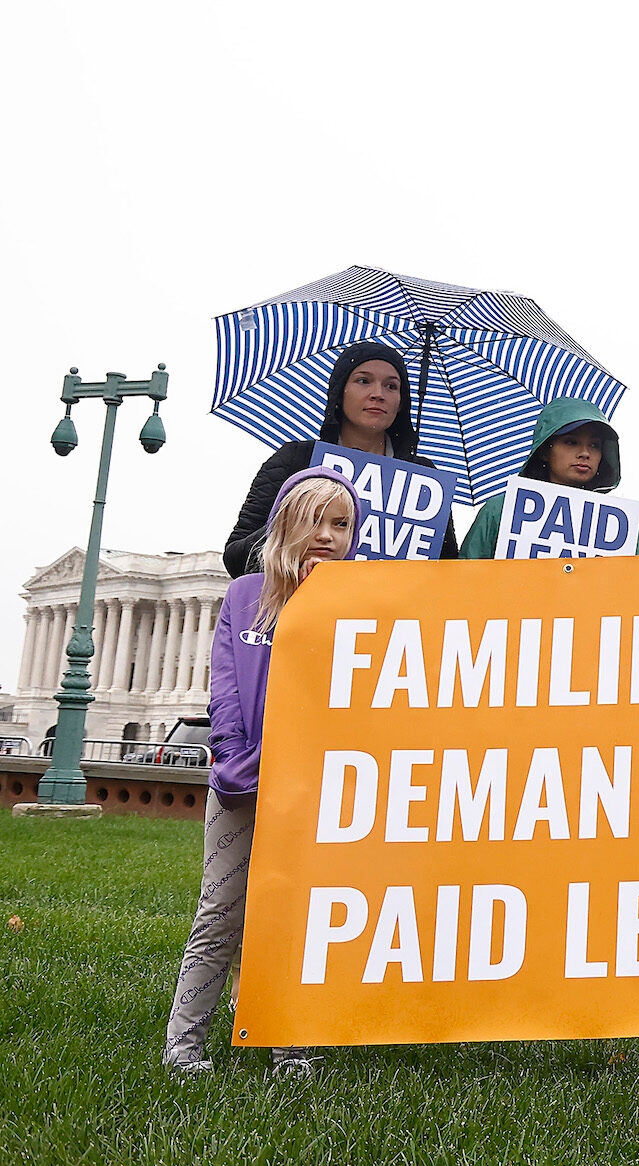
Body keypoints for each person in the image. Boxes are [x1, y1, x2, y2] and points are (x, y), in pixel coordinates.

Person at [167, 467, 362, 1077]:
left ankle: (288, 1042)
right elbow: (225, 688)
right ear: (282, 525)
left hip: (319, 791)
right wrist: (234, 757)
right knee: (220, 915)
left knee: (295, 918)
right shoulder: (244, 595)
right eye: (314, 521)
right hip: (243, 785)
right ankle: (185, 1046)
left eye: (342, 524)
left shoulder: (362, 602)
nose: (328, 535)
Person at [223, 341, 458, 576]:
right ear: (339, 391)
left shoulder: (425, 478)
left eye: (391, 386)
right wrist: (292, 527)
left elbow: (447, 571)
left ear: (401, 402)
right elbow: (236, 559)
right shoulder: (296, 460)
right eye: (363, 381)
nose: (378, 394)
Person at [461, 395, 639, 557]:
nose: (585, 453)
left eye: (595, 445)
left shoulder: (621, 526)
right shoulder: (500, 510)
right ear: (544, 451)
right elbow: (464, 582)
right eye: (571, 442)